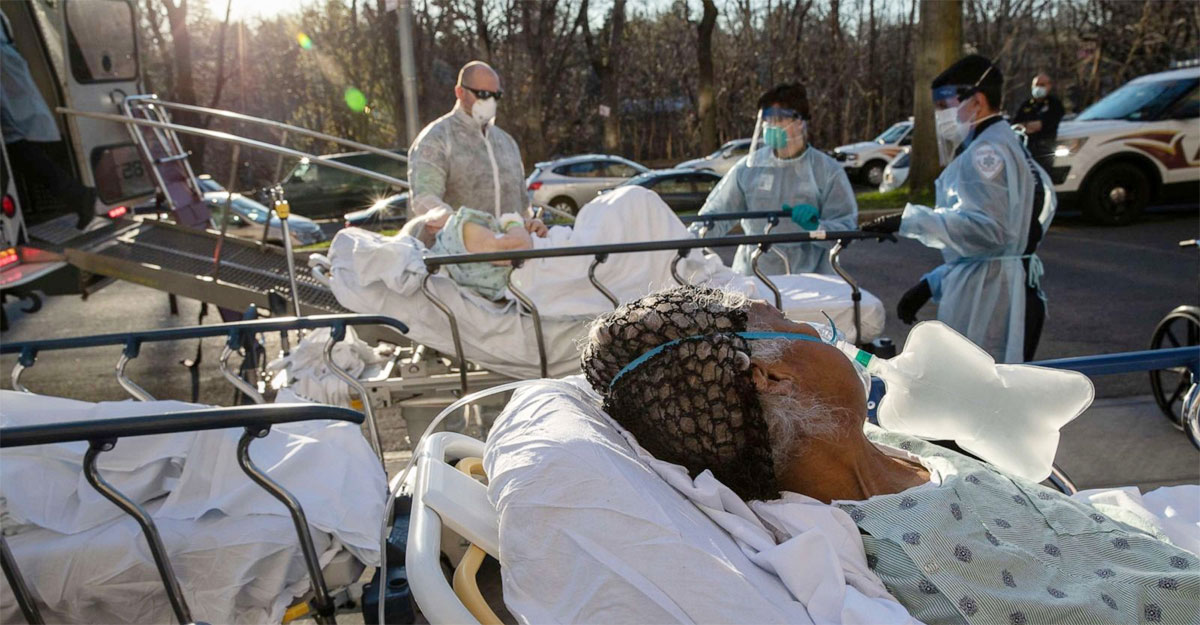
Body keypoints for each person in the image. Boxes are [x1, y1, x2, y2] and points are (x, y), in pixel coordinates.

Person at [581, 284, 1200, 625]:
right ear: (771, 378)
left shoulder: (885, 445)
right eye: (798, 326)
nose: (827, 335)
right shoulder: (914, 556)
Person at [863, 55, 1054, 363]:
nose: (941, 115)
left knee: (978, 385)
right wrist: (933, 282)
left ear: (977, 101)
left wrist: (910, 221)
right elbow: (996, 242)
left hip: (991, 301)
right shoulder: (1003, 143)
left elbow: (988, 232)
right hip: (998, 289)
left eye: (944, 105)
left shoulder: (986, 153)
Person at [689, 83, 858, 276]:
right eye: (767, 120)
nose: (770, 126)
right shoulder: (749, 169)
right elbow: (715, 215)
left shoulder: (827, 171)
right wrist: (687, 243)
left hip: (811, 280)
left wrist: (817, 228)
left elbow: (846, 230)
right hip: (754, 276)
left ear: (799, 122)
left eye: (778, 119)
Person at [1, 10, 99, 230]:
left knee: (16, 145)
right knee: (23, 141)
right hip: (10, 69)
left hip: (5, 74)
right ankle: (78, 194)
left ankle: (78, 195)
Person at [407, 61, 527, 220]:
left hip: (512, 236)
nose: (490, 102)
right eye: (483, 94)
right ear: (460, 92)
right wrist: (462, 226)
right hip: (459, 236)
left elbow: (523, 205)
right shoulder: (437, 138)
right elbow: (425, 200)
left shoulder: (507, 143)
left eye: (496, 95)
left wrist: (530, 223)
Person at [1012, 73, 1065, 173]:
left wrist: (1026, 126)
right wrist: (1029, 126)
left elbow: (1043, 125)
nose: (1038, 87)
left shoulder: (1054, 104)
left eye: (1042, 85)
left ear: (1049, 86)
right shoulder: (1026, 105)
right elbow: (1015, 126)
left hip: (1045, 151)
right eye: (1036, 85)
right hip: (1025, 150)